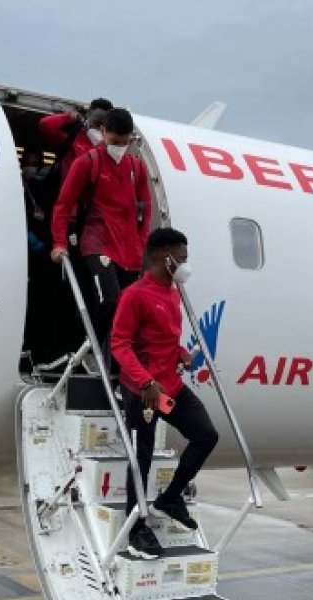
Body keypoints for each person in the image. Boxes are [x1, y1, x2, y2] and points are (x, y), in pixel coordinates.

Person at [110, 228, 219, 559]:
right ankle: (136, 530)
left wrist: (179, 355)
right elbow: (119, 343)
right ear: (162, 256)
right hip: (143, 391)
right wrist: (144, 382)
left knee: (206, 435)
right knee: (140, 459)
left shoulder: (173, 292)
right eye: (181, 258)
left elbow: (161, 339)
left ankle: (169, 498)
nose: (185, 264)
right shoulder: (135, 295)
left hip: (169, 385)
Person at [51, 107, 152, 370]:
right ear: (103, 132)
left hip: (129, 248)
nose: (119, 147)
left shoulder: (136, 168)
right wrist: (59, 242)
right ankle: (90, 348)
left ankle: (117, 358)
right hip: (97, 242)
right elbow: (63, 204)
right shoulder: (87, 162)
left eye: (125, 142)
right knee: (109, 300)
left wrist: (141, 245)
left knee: (128, 308)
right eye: (114, 141)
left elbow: (146, 208)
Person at [38, 97, 113, 180]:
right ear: (88, 115)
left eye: (103, 124)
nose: (100, 128)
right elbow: (46, 125)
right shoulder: (72, 137)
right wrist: (70, 117)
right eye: (97, 123)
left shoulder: (109, 146)